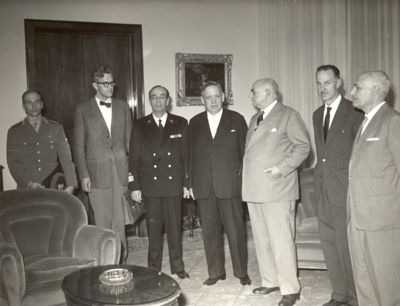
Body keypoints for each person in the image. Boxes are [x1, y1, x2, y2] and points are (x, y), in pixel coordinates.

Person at [242, 78, 310, 306]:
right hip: (255, 189)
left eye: (254, 93)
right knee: (261, 239)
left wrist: (281, 168)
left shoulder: (288, 115)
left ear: (268, 92)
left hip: (277, 188)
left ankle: (290, 288)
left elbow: (303, 147)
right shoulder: (255, 118)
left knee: (281, 240)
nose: (251, 96)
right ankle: (270, 280)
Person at [188, 81, 250, 286]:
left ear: (223, 97)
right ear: (202, 100)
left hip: (230, 185)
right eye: (208, 97)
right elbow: (189, 156)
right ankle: (215, 272)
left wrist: (243, 183)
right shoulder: (194, 123)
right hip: (204, 187)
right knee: (210, 231)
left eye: (216, 96)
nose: (213, 101)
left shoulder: (237, 119)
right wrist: (189, 183)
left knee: (236, 230)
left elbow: (245, 154)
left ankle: (241, 272)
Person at [347, 71, 400, 306]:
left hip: (382, 219)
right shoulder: (366, 121)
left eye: (358, 88)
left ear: (376, 91)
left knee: (387, 284)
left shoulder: (392, 120)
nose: (352, 92)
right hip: (357, 215)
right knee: (364, 280)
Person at [313, 65, 362, 306]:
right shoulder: (316, 114)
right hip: (323, 191)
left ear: (339, 83)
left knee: (345, 248)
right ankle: (339, 295)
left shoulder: (354, 112)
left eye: (327, 83)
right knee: (329, 245)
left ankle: (354, 298)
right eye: (319, 84)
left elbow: (359, 156)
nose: (323, 88)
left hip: (344, 191)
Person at [129, 85, 189, 279]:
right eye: (154, 97)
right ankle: (153, 269)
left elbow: (186, 157)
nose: (158, 100)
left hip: (173, 185)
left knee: (174, 229)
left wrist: (187, 183)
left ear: (168, 100)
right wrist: (134, 186)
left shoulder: (180, 123)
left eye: (162, 97)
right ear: (149, 100)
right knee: (154, 232)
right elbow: (133, 159)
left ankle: (177, 266)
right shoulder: (139, 125)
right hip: (150, 186)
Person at [74, 66, 132, 262]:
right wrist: (83, 174)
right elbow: (79, 146)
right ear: (95, 85)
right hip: (96, 173)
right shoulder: (82, 110)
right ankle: (106, 263)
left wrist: (131, 172)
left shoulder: (124, 106)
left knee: (120, 222)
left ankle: (121, 261)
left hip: (120, 170)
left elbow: (130, 142)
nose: (110, 87)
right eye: (105, 83)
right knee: (102, 221)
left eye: (112, 82)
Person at [7, 90, 77, 192]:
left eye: (37, 102)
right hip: (26, 189)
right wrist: (29, 184)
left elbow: (66, 159)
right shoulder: (14, 132)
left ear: (42, 104)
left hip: (53, 187)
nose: (34, 106)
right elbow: (13, 163)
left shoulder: (56, 128)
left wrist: (71, 185)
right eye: (29, 103)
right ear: (23, 106)